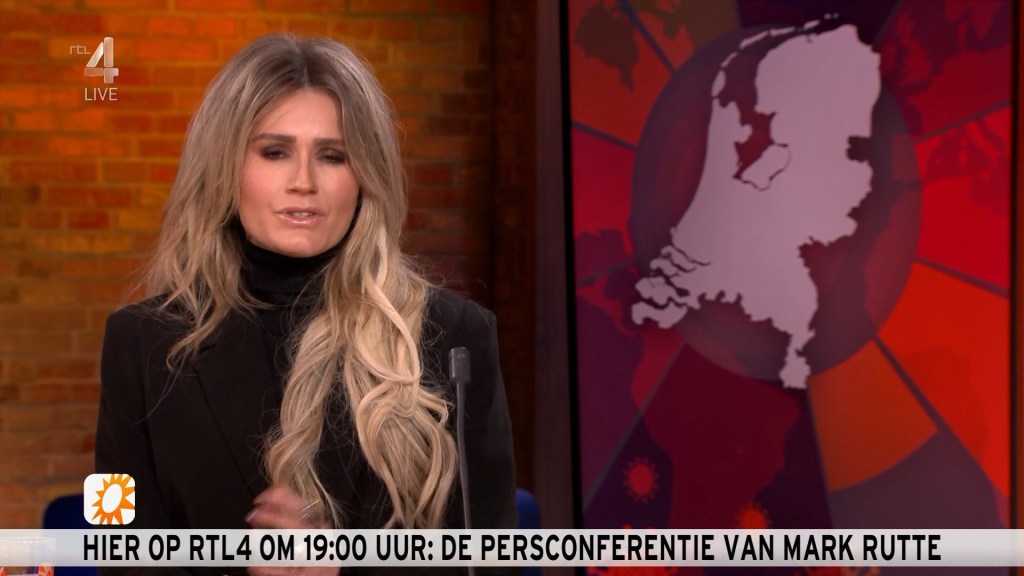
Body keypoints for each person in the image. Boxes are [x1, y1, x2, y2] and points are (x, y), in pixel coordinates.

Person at [95, 34, 518, 575]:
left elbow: (493, 562)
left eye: (332, 156)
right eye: (274, 152)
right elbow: (114, 550)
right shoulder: (137, 342)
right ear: (224, 166)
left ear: (364, 176)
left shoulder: (455, 336)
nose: (303, 182)